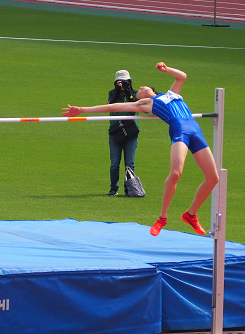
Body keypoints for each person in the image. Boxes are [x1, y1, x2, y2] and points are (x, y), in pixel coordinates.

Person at [64, 62, 219, 236]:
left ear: (151, 89)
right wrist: (82, 109)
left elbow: (182, 76)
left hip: (196, 131)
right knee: (175, 174)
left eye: (143, 87)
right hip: (180, 131)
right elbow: (113, 107)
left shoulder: (171, 93)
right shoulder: (145, 103)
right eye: (138, 92)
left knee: (213, 178)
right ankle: (162, 218)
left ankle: (190, 215)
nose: (141, 89)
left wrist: (166, 69)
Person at [106, 70, 139, 196]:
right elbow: (110, 106)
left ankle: (129, 188)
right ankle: (113, 188)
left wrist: (129, 93)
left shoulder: (135, 94)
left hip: (131, 132)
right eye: (120, 82)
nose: (123, 84)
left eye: (126, 82)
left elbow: (135, 106)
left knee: (129, 163)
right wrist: (117, 91)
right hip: (116, 131)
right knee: (115, 163)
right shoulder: (112, 94)